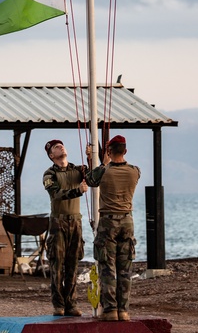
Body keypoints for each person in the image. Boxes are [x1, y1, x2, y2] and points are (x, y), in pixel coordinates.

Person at [85, 134, 140, 322]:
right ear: (125, 151)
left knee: (107, 267)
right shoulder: (135, 171)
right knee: (125, 268)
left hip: (108, 221)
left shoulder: (104, 171)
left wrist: (101, 162)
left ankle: (110, 310)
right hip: (127, 221)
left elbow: (90, 180)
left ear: (109, 151)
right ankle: (123, 310)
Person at [41, 139, 88, 316]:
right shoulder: (49, 174)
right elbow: (56, 194)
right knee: (57, 264)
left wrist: (93, 158)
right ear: (51, 155)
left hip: (75, 221)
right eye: (55, 147)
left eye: (61, 144)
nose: (60, 146)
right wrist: (78, 191)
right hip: (58, 222)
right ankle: (58, 304)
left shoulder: (78, 170)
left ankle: (72, 303)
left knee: (73, 264)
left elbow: (95, 176)